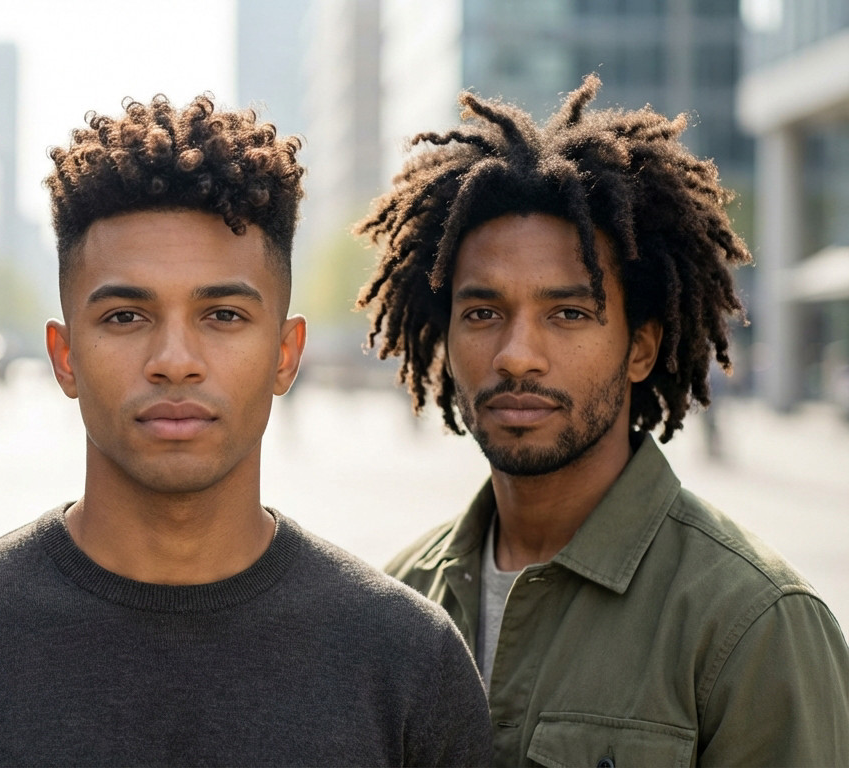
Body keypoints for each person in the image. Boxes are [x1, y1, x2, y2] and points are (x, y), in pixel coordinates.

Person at [0, 94, 492, 766]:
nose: (175, 361)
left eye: (224, 315)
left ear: (285, 356)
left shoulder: (409, 664)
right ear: (65, 358)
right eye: (125, 317)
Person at [356, 75, 849, 766]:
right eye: (483, 313)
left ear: (640, 347)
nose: (518, 355)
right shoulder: (395, 603)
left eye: (569, 314)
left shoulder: (754, 623)